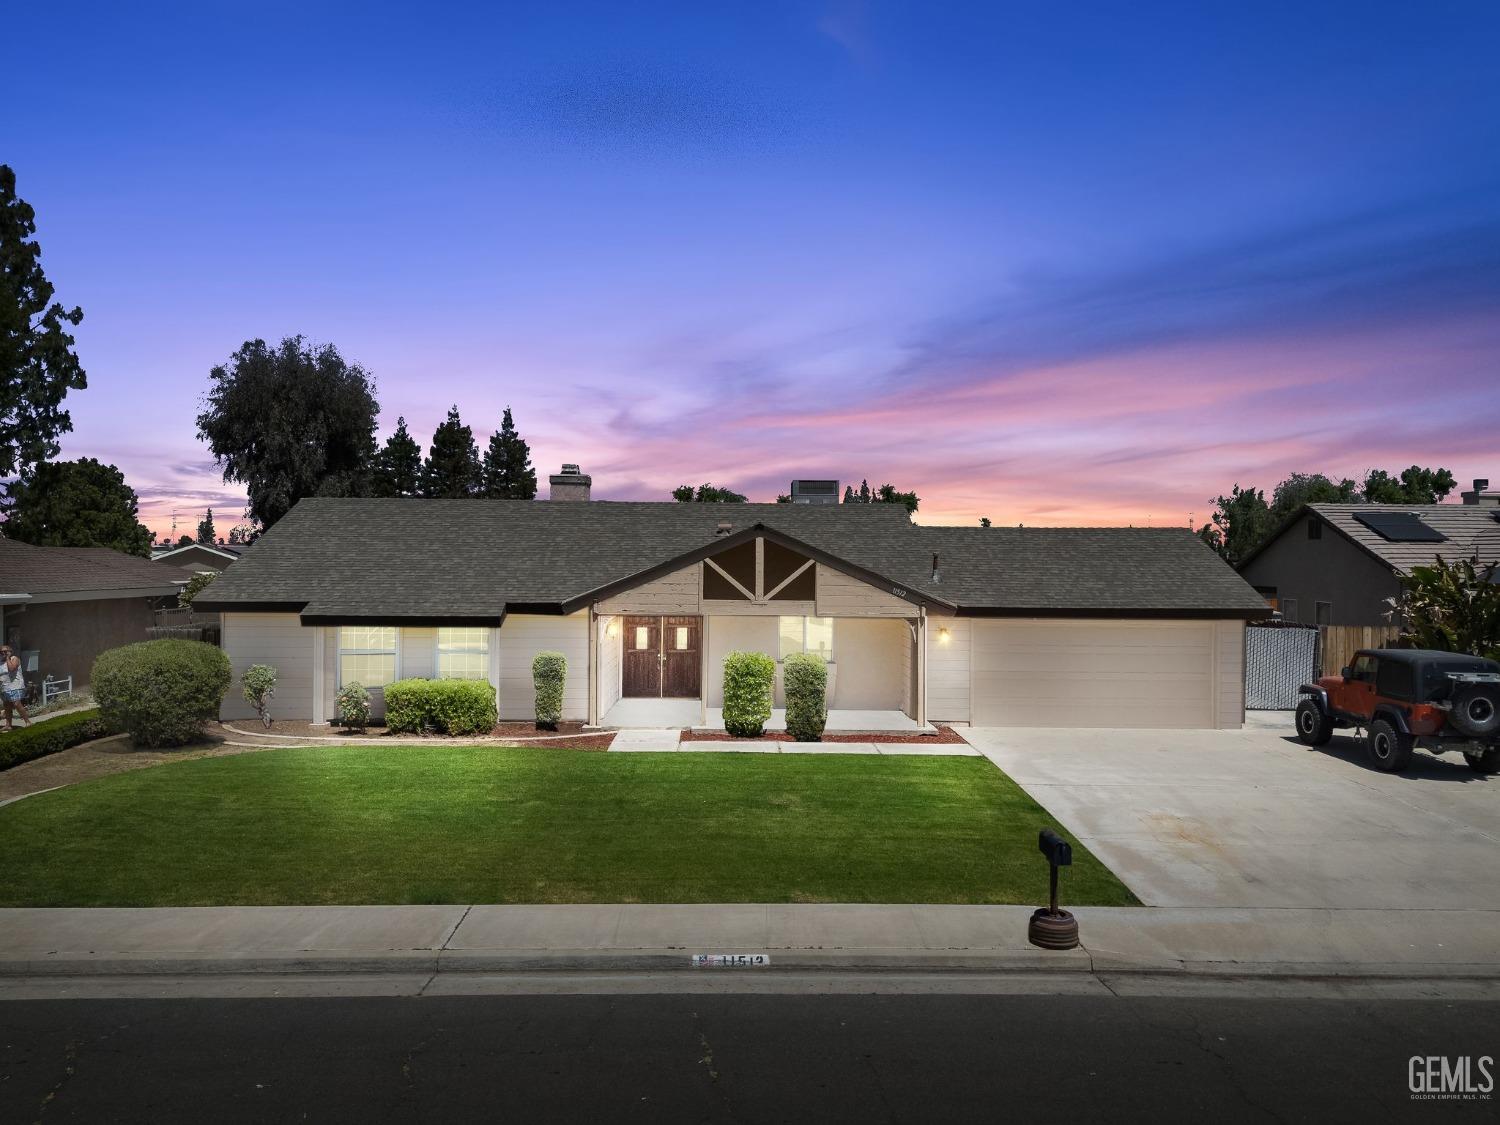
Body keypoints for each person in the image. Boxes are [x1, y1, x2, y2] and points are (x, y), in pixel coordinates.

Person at [1, 645, 29, 731]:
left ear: (10, 651)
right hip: (4, 687)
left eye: (5, 651)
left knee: (16, 704)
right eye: (1, 652)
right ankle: (8, 725)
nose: (3, 653)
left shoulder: (14, 658)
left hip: (15, 686)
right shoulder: (0, 662)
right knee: (7, 706)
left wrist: (7, 657)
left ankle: (28, 722)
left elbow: (12, 668)